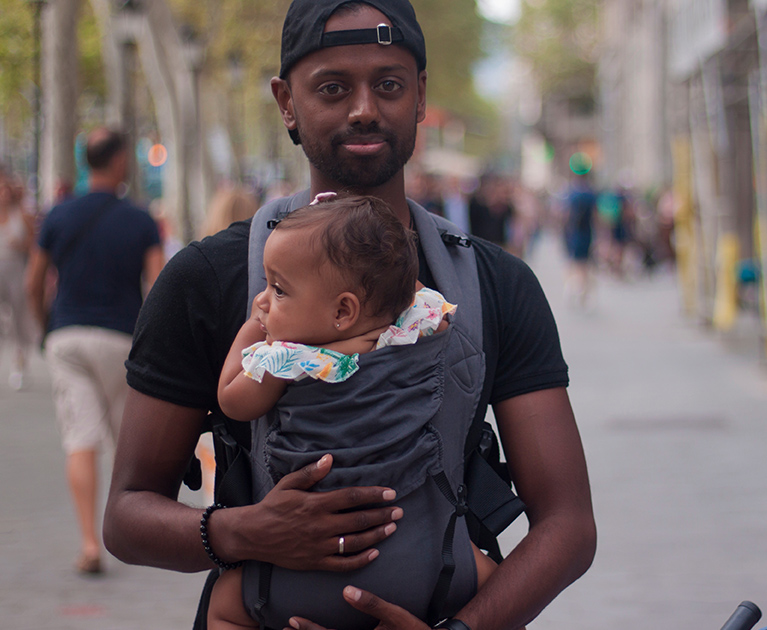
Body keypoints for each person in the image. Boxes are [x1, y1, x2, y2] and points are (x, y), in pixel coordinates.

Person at [104, 2, 595, 630]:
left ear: (421, 96)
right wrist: (243, 532)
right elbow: (125, 515)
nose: (364, 107)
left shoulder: (495, 286)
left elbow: (569, 525)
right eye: (333, 87)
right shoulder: (207, 282)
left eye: (388, 84)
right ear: (285, 102)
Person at [209, 193, 498, 629]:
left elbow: (232, 398)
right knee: (498, 584)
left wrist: (252, 331)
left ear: (344, 310)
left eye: (278, 289)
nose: (264, 300)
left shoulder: (288, 360)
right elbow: (420, 300)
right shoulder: (412, 330)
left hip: (303, 570)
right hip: (423, 558)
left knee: (225, 602)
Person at [25, 127, 165, 575]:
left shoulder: (58, 215)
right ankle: (134, 535)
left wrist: (44, 327)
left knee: (79, 439)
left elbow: (34, 280)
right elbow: (159, 287)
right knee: (128, 442)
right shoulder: (141, 219)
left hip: (67, 337)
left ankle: (89, 543)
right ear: (122, 161)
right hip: (122, 340)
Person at [0, 172, 36, 390]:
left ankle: (19, 363)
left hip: (16, 270)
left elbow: (35, 246)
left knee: (19, 319)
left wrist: (20, 244)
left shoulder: (22, 215)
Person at [563, 172, 597, 307]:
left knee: (574, 262)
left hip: (575, 232)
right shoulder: (591, 194)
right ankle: (582, 289)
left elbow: (566, 214)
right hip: (587, 232)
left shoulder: (573, 194)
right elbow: (596, 215)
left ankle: (575, 288)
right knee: (584, 263)